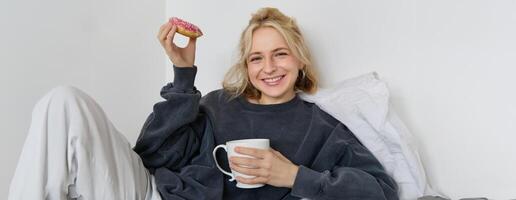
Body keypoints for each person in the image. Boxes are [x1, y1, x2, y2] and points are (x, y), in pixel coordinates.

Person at [8, 7, 398, 200]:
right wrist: (183, 76)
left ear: (299, 59)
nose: (269, 68)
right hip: (154, 194)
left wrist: (293, 176)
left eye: (280, 54)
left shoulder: (319, 125)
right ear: (246, 66)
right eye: (256, 57)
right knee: (64, 102)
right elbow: (150, 154)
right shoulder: (219, 104)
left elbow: (382, 189)